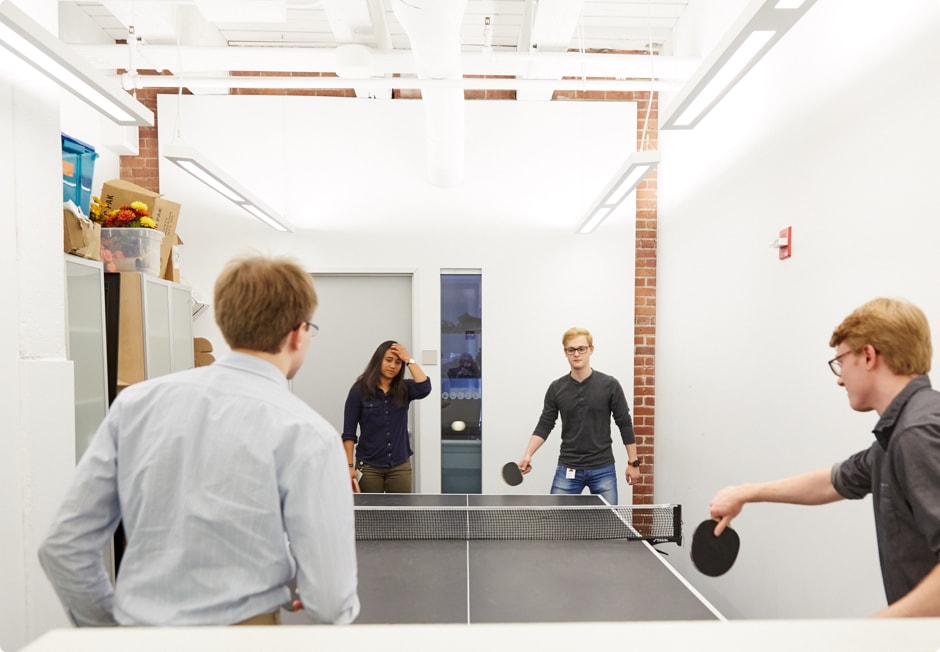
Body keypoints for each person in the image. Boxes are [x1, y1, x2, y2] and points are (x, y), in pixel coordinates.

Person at [38, 255, 360, 626]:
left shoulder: (134, 405)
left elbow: (64, 547)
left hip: (138, 634)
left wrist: (111, 629)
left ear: (225, 324)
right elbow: (331, 601)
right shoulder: (308, 432)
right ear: (298, 333)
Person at [709, 297, 940, 617]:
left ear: (869, 356)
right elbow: (833, 482)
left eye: (841, 361)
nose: (840, 378)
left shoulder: (916, 432)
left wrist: (877, 628)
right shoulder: (898, 433)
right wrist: (747, 492)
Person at [518, 327, 639, 505]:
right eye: (571, 350)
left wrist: (633, 463)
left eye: (581, 349)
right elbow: (545, 424)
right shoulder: (556, 388)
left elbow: (625, 424)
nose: (576, 354)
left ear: (591, 350)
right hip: (568, 467)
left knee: (607, 526)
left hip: (603, 468)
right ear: (565, 353)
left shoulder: (610, 385)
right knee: (556, 525)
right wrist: (528, 454)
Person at [343, 341, 431, 493]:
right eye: (388, 360)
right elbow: (349, 434)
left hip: (400, 466)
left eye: (398, 362)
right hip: (369, 467)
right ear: (378, 361)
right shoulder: (359, 390)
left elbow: (424, 388)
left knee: (399, 515)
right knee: (370, 515)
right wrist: (349, 466)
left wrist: (408, 359)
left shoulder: (405, 388)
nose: (393, 366)